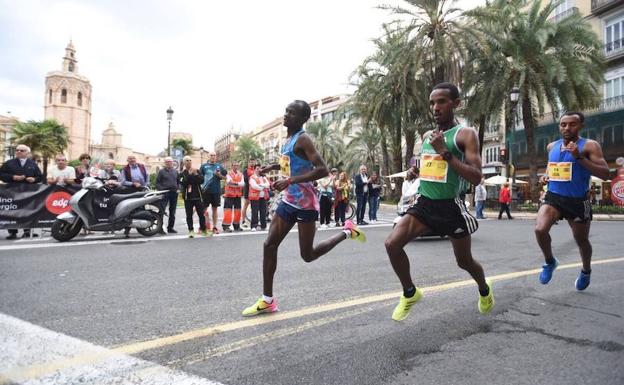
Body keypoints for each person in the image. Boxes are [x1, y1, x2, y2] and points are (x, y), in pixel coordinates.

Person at [242, 100, 366, 317]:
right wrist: (273, 167)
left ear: (303, 119)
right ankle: (267, 300)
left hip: (306, 203)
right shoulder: (288, 139)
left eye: (292, 113)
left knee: (307, 255)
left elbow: (323, 170)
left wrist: (290, 180)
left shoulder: (303, 139)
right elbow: (291, 163)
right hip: (289, 201)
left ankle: (347, 232)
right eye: (286, 111)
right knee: (269, 244)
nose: (286, 115)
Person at [384, 82, 494, 321]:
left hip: (451, 207)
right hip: (425, 204)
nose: (435, 107)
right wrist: (417, 171)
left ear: (456, 104)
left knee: (464, 261)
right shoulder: (427, 136)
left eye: (441, 101)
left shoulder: (465, 134)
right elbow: (430, 167)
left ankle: (484, 289)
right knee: (392, 244)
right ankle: (410, 292)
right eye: (432, 103)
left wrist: (445, 152)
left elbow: (476, 177)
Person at [535, 112, 610, 291]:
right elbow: (551, 167)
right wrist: (545, 176)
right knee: (540, 229)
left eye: (572, 124)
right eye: (563, 124)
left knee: (581, 240)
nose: (567, 128)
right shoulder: (551, 146)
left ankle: (586, 270)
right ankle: (550, 261)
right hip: (554, 197)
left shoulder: (590, 146)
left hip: (577, 200)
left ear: (581, 126)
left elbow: (605, 173)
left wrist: (579, 157)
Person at [0, 144, 43, 239]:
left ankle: (27, 231)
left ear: (27, 153)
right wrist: (12, 177)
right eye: (17, 150)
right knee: (12, 211)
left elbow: (40, 177)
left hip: (27, 192)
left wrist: (34, 179)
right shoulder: (9, 163)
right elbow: (1, 174)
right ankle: (12, 232)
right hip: (11, 191)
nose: (19, 152)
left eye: (22, 150)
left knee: (27, 211)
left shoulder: (33, 164)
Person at [120, 155, 149, 237]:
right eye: (130, 159)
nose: (132, 160)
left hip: (142, 190)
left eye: (133, 158)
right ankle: (127, 229)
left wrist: (146, 185)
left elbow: (147, 176)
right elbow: (122, 181)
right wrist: (133, 184)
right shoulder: (125, 169)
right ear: (127, 160)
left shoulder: (142, 166)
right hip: (130, 191)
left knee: (142, 208)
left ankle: (143, 227)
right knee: (130, 209)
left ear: (136, 159)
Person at [179, 156, 208, 238]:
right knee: (189, 215)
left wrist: (195, 174)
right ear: (184, 163)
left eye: (190, 160)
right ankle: (191, 231)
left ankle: (203, 230)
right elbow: (184, 183)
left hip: (198, 196)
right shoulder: (182, 174)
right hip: (188, 197)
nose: (188, 162)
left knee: (201, 214)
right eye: (187, 161)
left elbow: (201, 181)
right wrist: (190, 175)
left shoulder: (197, 171)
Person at [200, 152, 226, 234]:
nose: (213, 157)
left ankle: (214, 227)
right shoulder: (204, 166)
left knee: (215, 209)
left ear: (216, 157)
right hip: (206, 191)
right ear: (208, 156)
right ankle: (202, 227)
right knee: (204, 209)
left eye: (214, 155)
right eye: (211, 155)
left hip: (216, 191)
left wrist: (219, 175)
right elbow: (200, 178)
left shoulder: (220, 166)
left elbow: (225, 177)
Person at [155, 157, 179, 234]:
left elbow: (178, 181)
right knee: (161, 211)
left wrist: (178, 188)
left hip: (174, 193)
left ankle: (170, 228)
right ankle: (160, 228)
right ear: (165, 163)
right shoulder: (161, 172)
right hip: (164, 193)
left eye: (170, 162)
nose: (169, 163)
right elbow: (157, 183)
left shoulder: (175, 171)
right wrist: (161, 190)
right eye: (167, 162)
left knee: (173, 211)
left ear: (172, 163)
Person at [222, 160, 245, 232]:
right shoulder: (228, 173)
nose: (236, 166)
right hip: (229, 195)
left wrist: (235, 184)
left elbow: (243, 184)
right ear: (232, 166)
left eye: (237, 165)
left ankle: (236, 226)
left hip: (238, 195)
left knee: (238, 211)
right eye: (234, 165)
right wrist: (238, 184)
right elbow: (229, 182)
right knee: (228, 211)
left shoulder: (241, 174)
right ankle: (226, 226)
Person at [248, 164, 270, 231]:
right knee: (255, 212)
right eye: (257, 168)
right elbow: (254, 186)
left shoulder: (263, 177)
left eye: (260, 168)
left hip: (263, 197)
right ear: (254, 169)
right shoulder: (252, 177)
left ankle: (264, 226)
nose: (259, 170)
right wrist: (263, 186)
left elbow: (268, 185)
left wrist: (261, 185)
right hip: (255, 198)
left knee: (263, 212)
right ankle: (254, 226)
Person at [241, 159, 257, 229]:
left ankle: (254, 221)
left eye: (253, 162)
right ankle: (243, 220)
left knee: (254, 206)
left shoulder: (256, 170)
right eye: (250, 162)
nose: (252, 163)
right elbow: (245, 180)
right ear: (248, 163)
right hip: (247, 190)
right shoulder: (246, 171)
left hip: (255, 190)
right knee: (245, 205)